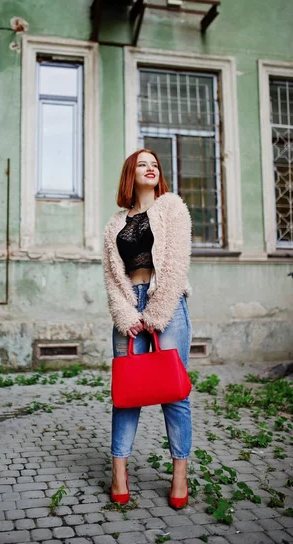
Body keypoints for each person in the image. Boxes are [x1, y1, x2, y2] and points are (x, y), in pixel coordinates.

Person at [103, 148, 192, 510]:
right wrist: (127, 314)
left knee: (176, 393)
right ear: (130, 174)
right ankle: (119, 473)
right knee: (127, 393)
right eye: (142, 164)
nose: (150, 168)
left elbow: (175, 263)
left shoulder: (172, 208)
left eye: (154, 164)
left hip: (167, 304)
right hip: (128, 306)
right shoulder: (115, 224)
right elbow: (112, 277)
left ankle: (180, 475)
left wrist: (156, 312)